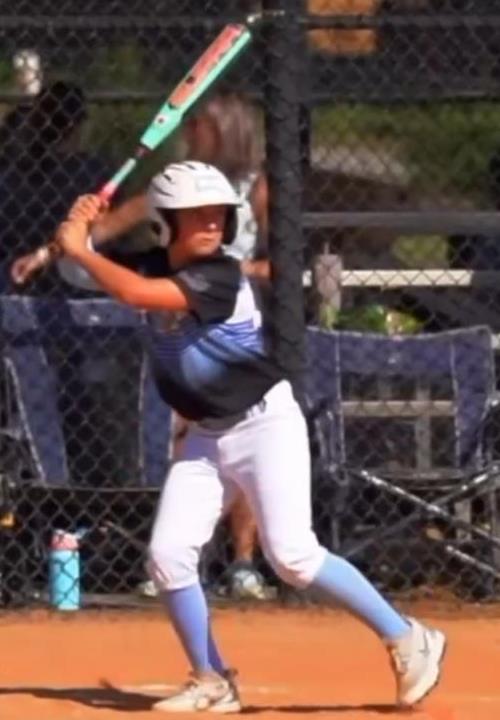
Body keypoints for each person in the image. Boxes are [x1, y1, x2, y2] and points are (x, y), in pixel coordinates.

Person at [44, 160, 445, 712]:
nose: (211, 222)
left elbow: (134, 293)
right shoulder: (150, 266)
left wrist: (81, 248)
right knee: (168, 556)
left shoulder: (219, 276)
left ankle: (407, 637)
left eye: (217, 213)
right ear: (163, 224)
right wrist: (78, 231)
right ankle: (211, 679)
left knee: (293, 558)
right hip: (206, 437)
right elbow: (80, 273)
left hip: (265, 425)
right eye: (195, 215)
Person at [12, 90, 270, 597]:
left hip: (234, 325)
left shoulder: (256, 186)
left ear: (223, 130)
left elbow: (281, 262)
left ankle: (243, 563)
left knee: (240, 441)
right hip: (176, 325)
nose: (187, 134)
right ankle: (182, 560)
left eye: (197, 125)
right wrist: (53, 248)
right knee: (180, 437)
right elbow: (102, 231)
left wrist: (225, 274)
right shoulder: (170, 187)